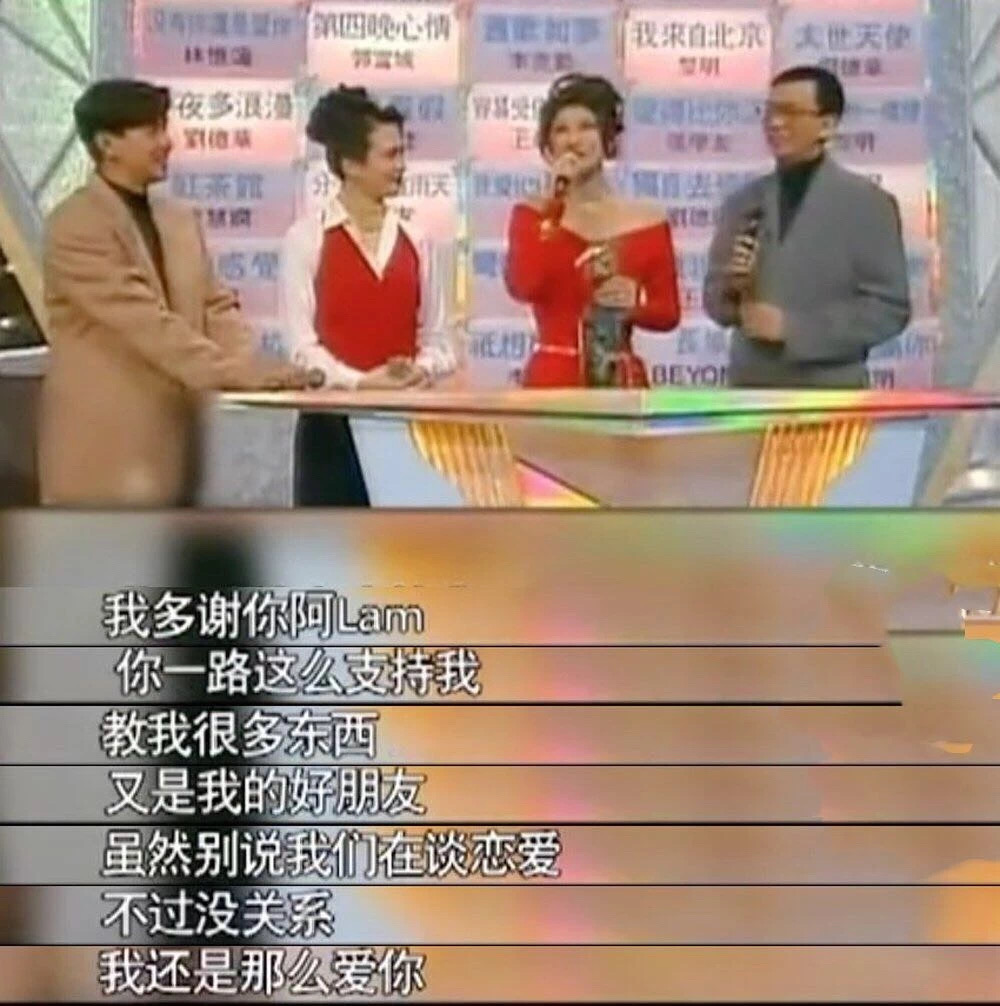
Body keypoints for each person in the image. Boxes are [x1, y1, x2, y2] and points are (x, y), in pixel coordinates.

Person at [39, 79, 310, 507]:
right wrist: (233, 372)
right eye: (151, 131)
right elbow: (144, 322)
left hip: (179, 444)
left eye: (164, 128)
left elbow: (215, 304)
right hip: (106, 448)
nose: (167, 142)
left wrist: (250, 366)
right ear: (107, 144)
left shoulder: (179, 218)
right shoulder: (75, 225)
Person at [281, 85, 457, 505]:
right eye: (390, 155)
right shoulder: (307, 239)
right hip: (331, 430)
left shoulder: (417, 240)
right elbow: (301, 347)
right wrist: (359, 383)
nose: (401, 166)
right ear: (350, 164)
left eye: (402, 153)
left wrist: (420, 370)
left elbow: (441, 340)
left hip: (407, 427)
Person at [703, 65, 912, 388]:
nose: (775, 123)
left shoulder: (866, 204)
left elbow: (889, 309)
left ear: (827, 125)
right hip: (749, 392)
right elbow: (715, 303)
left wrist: (794, 329)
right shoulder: (742, 203)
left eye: (790, 112)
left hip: (829, 393)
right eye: (769, 112)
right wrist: (731, 291)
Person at [503, 73, 680, 388]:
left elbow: (668, 313)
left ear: (606, 137)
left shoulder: (647, 219)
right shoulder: (533, 215)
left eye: (586, 127)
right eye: (561, 130)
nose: (573, 140)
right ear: (548, 145)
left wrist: (636, 303)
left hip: (620, 382)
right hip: (554, 380)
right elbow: (524, 285)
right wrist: (555, 202)